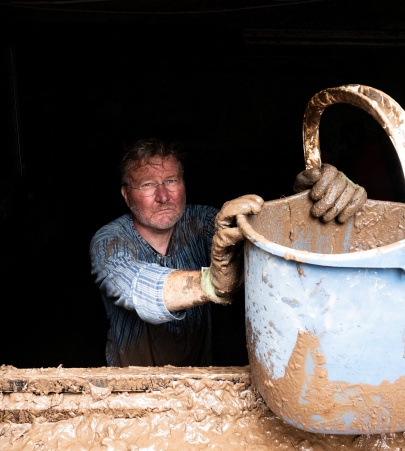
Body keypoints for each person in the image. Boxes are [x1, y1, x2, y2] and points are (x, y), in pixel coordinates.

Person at [89, 139, 366, 367]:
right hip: (129, 388)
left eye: (171, 181)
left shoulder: (203, 223)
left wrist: (308, 206)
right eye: (148, 185)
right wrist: (210, 283)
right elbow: (136, 287)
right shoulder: (109, 241)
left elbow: (268, 248)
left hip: (198, 383)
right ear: (126, 195)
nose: (163, 196)